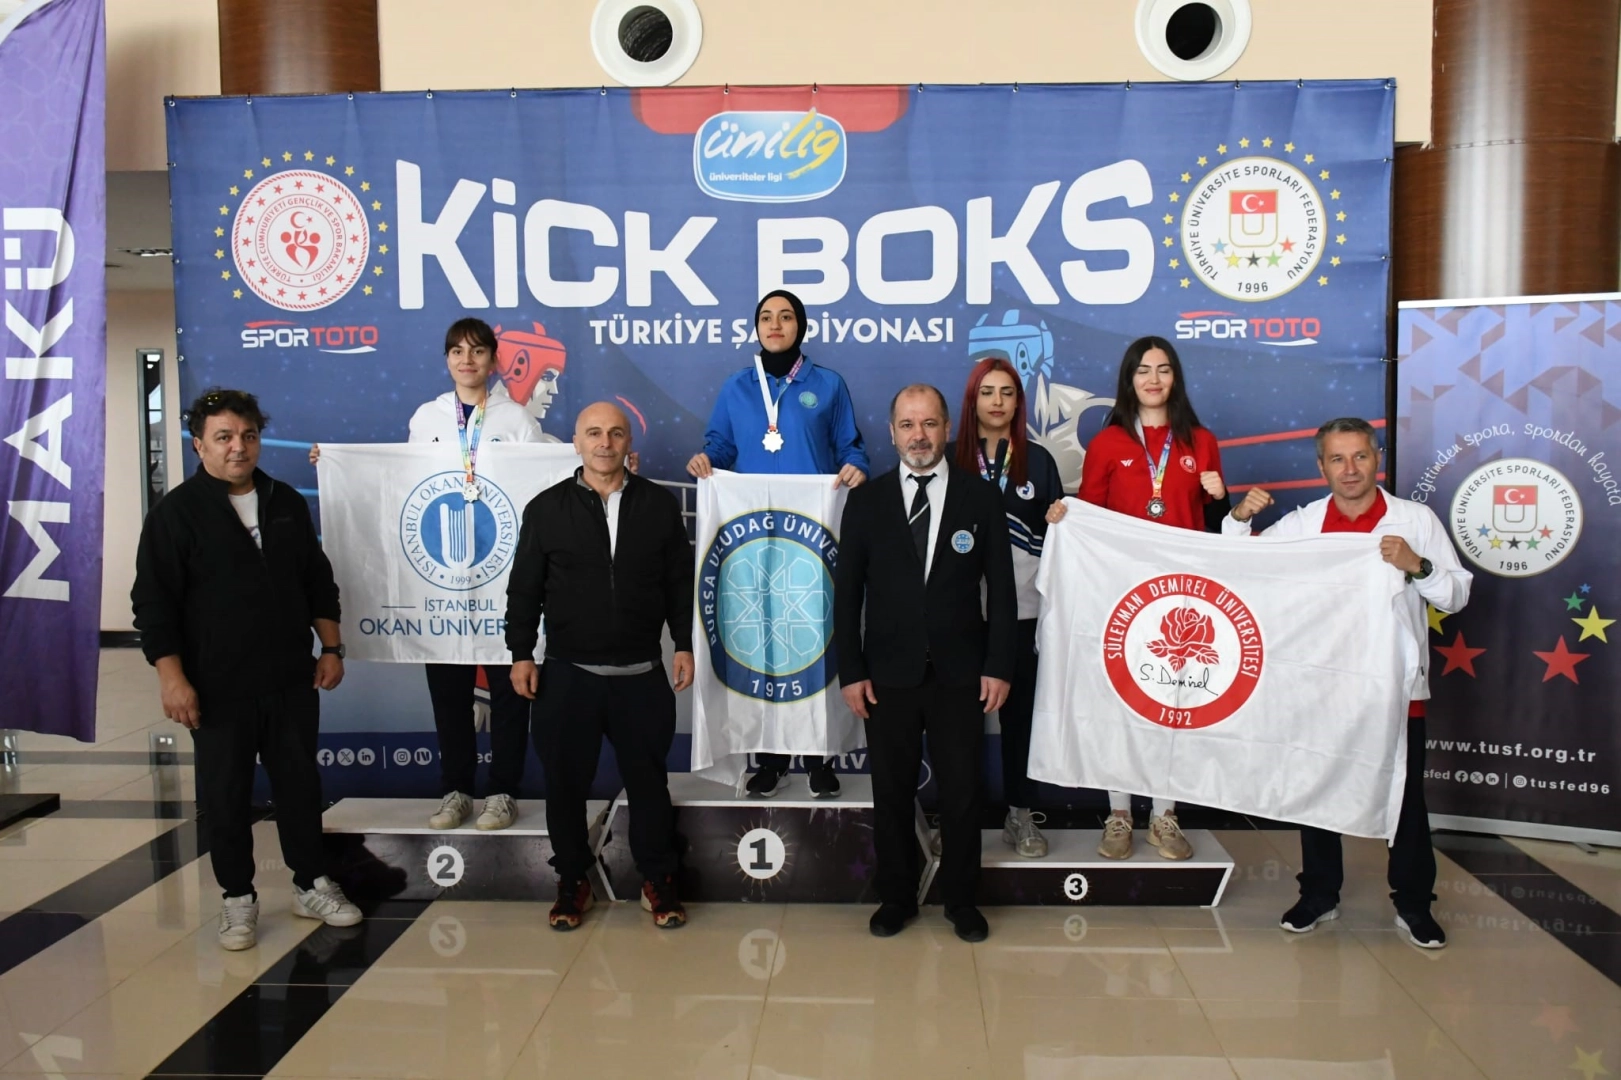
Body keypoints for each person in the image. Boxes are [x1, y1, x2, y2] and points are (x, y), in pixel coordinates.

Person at [1225, 417, 1471, 949]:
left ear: (1377, 458)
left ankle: (1413, 903)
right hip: (1325, 687)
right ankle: (1319, 893)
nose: (1350, 469)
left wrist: (1418, 565)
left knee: (1405, 798)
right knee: (1318, 789)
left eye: (1360, 456)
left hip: (1395, 690)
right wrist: (1239, 519)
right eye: (1337, 459)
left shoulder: (1415, 520)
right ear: (1322, 467)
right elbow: (1244, 566)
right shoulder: (1307, 523)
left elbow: (1456, 595)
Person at [133, 388, 362, 952]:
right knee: (227, 795)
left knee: (300, 786)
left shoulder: (285, 501)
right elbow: (154, 605)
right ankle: (237, 896)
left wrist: (331, 648)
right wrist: (171, 678)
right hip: (216, 686)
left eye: (248, 435)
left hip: (289, 678)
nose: (238, 447)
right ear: (199, 445)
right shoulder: (175, 515)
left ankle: (310, 883)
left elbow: (316, 579)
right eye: (224, 437)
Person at [312, 318, 546, 832]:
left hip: (501, 573)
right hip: (439, 576)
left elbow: (543, 479)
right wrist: (334, 463)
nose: (467, 360)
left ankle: (503, 792)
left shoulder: (516, 420)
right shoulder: (427, 417)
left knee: (510, 691)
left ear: (493, 361)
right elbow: (401, 479)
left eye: (478, 351)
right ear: (446, 359)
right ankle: (456, 790)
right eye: (457, 351)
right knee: (448, 693)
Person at [835, 384, 1017, 943]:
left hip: (961, 675)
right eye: (908, 425)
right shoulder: (866, 502)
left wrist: (999, 664)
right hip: (886, 676)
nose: (919, 435)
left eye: (930, 424)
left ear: (947, 429)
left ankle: (961, 899)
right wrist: (851, 670)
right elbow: (846, 594)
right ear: (892, 433)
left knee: (962, 793)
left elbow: (1002, 591)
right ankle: (896, 897)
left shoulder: (979, 498)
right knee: (891, 792)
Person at [507, 401, 695, 931]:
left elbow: (679, 583)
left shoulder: (658, 506)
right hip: (569, 676)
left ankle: (657, 879)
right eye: (594, 433)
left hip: (641, 675)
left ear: (628, 442)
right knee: (565, 786)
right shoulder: (546, 509)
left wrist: (684, 644)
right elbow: (524, 590)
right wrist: (521, 653)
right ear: (576, 442)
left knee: (649, 785)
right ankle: (573, 881)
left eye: (615, 433)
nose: (604, 443)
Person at [1047, 336, 1227, 861]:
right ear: (1129, 379)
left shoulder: (1201, 441)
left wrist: (1221, 497)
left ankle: (1165, 816)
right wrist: (1064, 518)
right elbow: (1089, 519)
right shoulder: (1108, 443)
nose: (1153, 379)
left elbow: (1217, 526)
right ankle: (1120, 813)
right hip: (1122, 595)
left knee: (1173, 703)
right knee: (1119, 704)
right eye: (1143, 370)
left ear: (1176, 378)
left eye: (1163, 369)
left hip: (1181, 598)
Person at [687, 288, 869, 799]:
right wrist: (707, 460)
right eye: (766, 316)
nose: (775, 324)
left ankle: (818, 757)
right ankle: (769, 757)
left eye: (786, 316)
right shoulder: (737, 387)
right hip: (750, 536)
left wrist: (857, 467)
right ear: (756, 327)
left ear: (800, 327)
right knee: (759, 637)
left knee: (812, 634)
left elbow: (851, 447)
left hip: (811, 534)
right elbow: (721, 445)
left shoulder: (828, 385)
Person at [949, 357, 1065, 858]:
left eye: (1008, 392)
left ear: (1019, 402)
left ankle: (1021, 813)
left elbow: (1059, 543)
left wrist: (1062, 518)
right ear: (972, 400)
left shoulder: (1038, 460)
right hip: (959, 614)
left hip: (1022, 611)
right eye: (987, 392)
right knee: (959, 723)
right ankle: (960, 818)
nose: (997, 402)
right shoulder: (949, 458)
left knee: (1020, 718)